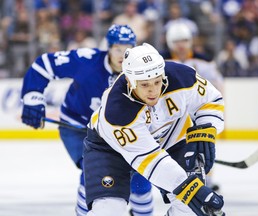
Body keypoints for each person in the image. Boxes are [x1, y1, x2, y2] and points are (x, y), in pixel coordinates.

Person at [20, 24, 153, 216]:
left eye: (127, 50)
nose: (121, 55)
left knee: (141, 177)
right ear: (108, 47)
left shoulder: (142, 72)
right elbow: (44, 65)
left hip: (119, 132)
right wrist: (33, 97)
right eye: (117, 48)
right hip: (77, 128)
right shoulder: (86, 60)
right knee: (93, 172)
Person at [83, 43, 225, 216]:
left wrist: (206, 130)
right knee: (108, 211)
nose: (153, 91)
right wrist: (193, 189)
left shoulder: (182, 76)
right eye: (144, 85)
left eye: (157, 82)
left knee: (189, 209)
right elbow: (152, 162)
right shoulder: (116, 112)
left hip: (172, 136)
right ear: (129, 80)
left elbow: (211, 100)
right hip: (110, 150)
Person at [163, 22, 224, 190]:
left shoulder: (204, 61)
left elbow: (218, 85)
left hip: (198, 111)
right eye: (176, 41)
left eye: (184, 40)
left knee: (204, 144)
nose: (181, 45)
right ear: (169, 42)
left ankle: (207, 182)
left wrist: (217, 111)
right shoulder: (161, 60)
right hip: (174, 113)